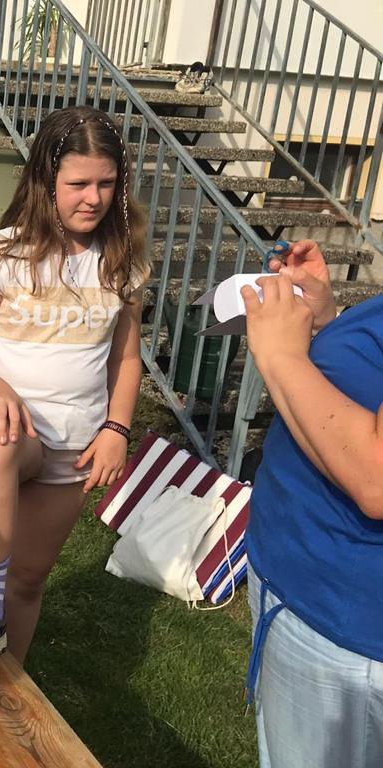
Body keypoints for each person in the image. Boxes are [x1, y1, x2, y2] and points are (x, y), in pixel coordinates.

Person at [0, 105, 149, 682]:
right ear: (46, 182)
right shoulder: (2, 255)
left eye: (106, 183)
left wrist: (117, 429)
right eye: (78, 184)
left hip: (73, 443)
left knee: (27, 579)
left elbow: (126, 359)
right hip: (6, 430)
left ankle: (5, 688)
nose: (93, 198)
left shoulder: (121, 263)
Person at [240, 239, 383, 768]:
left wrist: (281, 355)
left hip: (348, 636)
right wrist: (332, 326)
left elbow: (376, 479)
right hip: (310, 591)